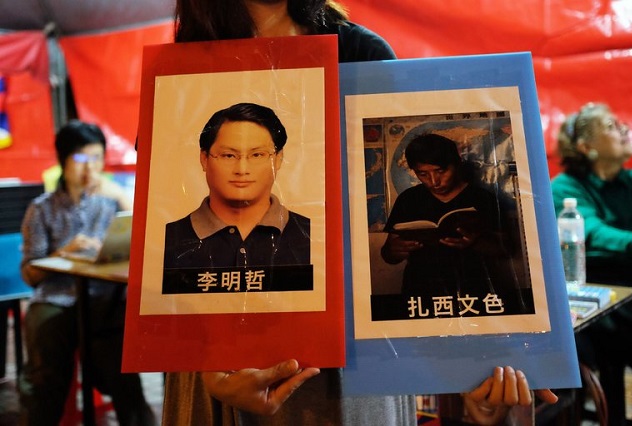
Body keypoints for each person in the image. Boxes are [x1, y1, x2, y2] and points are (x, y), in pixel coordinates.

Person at [162, 1, 558, 425]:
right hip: (214, 353)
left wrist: (476, 367)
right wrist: (210, 364)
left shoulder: (359, 53)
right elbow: (167, 211)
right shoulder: (187, 60)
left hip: (341, 361)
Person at [19, 120, 155, 425]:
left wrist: (120, 197)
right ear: (63, 160)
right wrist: (62, 252)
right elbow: (30, 273)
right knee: (45, 369)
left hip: (104, 299)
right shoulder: (42, 209)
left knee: (124, 372)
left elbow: (149, 238)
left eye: (97, 158)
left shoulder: (113, 201)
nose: (90, 168)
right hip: (57, 299)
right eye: (81, 159)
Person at [551, 102, 632, 425]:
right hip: (594, 298)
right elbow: (594, 234)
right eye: (610, 126)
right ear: (586, 147)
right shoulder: (565, 189)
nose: (624, 129)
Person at [162, 103, 311, 294]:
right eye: (229, 155)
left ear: (278, 159)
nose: (242, 170)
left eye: (257, 154)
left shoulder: (311, 236)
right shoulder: (168, 240)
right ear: (204, 159)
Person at [381, 133, 530, 315]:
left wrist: (474, 242)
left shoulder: (481, 198)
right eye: (423, 174)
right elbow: (388, 255)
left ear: (457, 163)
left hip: (474, 289)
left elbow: (506, 249)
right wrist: (393, 250)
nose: (434, 181)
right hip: (421, 291)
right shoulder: (408, 200)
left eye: (441, 171)